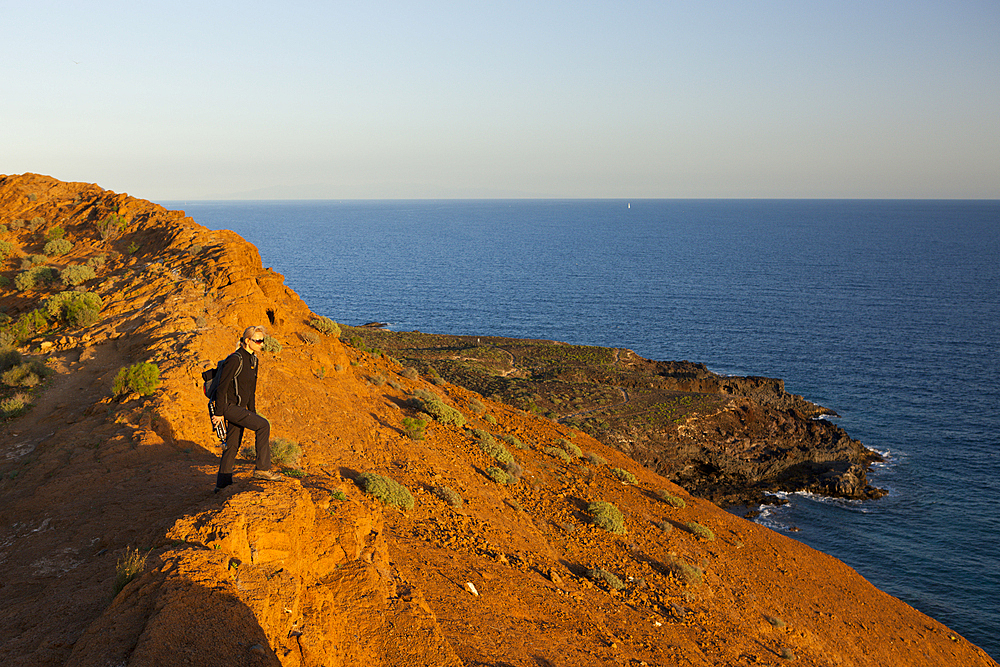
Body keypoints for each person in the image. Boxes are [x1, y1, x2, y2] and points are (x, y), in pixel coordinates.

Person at [211, 325, 281, 491]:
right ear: (247, 341)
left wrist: (252, 412)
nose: (261, 343)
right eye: (257, 340)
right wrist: (219, 413)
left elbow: (251, 390)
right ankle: (262, 469)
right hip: (228, 406)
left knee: (233, 444)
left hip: (241, 408)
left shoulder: (253, 360)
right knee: (263, 425)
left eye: (262, 341)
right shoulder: (235, 359)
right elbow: (222, 387)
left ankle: (222, 485)